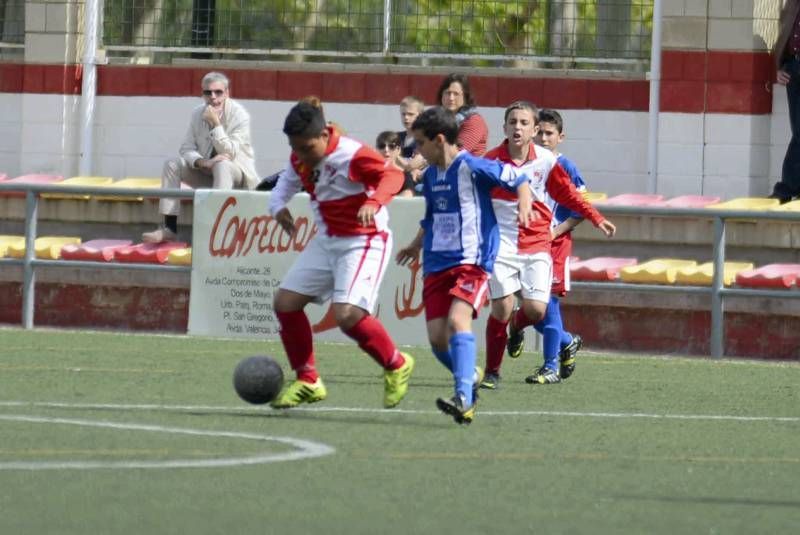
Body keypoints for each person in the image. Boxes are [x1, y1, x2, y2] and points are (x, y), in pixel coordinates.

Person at [268, 101, 414, 409]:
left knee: (347, 316)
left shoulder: (351, 153)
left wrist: (373, 202)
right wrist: (277, 207)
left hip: (364, 240)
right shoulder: (301, 155)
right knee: (285, 303)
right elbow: (284, 184)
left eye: (307, 148)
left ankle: (396, 363)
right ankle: (308, 380)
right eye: (296, 149)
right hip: (328, 239)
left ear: (324, 134)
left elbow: (394, 178)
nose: (302, 156)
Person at [395, 106, 533, 425]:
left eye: (420, 144)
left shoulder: (471, 166)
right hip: (436, 263)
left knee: (459, 321)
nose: (416, 151)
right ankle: (468, 377)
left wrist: (524, 200)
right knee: (437, 340)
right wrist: (416, 246)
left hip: (472, 260)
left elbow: (518, 178)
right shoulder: (430, 175)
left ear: (439, 140)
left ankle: (463, 397)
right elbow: (433, 216)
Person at [480, 102, 616, 388]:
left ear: (534, 130)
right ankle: (492, 372)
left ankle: (518, 328)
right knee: (502, 307)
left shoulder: (546, 161)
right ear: (504, 127)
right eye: (512, 122)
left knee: (537, 310)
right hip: (502, 244)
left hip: (538, 245)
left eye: (524, 123)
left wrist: (596, 217)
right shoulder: (490, 162)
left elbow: (569, 195)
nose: (518, 127)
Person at [143, 71, 258, 242]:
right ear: (202, 94)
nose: (213, 97)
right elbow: (186, 147)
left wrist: (216, 124)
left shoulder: (239, 115)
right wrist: (202, 162)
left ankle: (218, 231)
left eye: (218, 92)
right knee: (172, 163)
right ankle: (169, 228)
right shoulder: (197, 113)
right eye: (208, 92)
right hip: (209, 173)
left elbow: (231, 152)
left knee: (223, 164)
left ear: (227, 93)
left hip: (237, 178)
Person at [771, 0, 800, 204]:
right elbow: (784, 35)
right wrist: (780, 66)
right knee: (798, 130)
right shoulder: (792, 3)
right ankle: (789, 189)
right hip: (794, 67)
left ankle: (786, 189)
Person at [436, 73, 489, 156]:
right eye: (448, 93)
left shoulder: (474, 121)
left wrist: (422, 160)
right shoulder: (437, 119)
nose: (451, 98)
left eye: (456, 94)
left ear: (465, 97)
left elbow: (456, 154)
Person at [394, 96, 427, 194]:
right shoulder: (397, 137)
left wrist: (396, 158)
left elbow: (413, 164)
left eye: (410, 114)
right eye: (403, 114)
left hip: (418, 185)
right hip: (398, 181)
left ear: (420, 115)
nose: (406, 118)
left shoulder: (425, 138)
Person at [374, 130, 414, 197]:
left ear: (398, 150)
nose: (386, 150)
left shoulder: (404, 175)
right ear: (377, 149)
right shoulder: (370, 174)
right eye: (381, 146)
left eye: (391, 146)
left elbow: (408, 194)